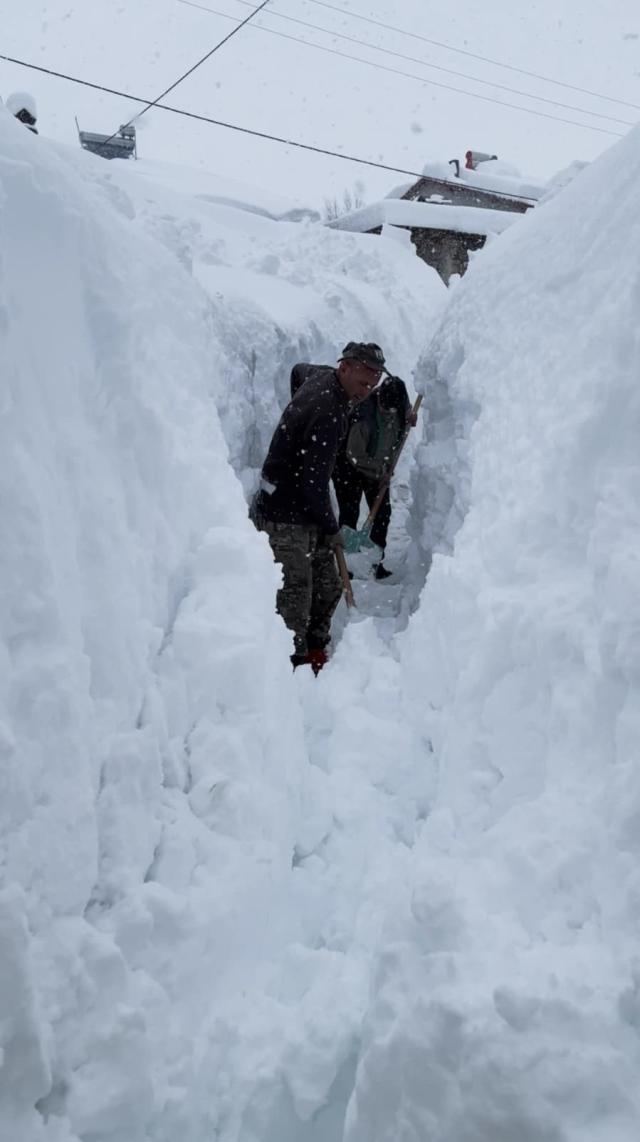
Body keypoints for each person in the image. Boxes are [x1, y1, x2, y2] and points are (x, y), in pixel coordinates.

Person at [253, 342, 386, 672]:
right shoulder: (328, 412)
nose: (365, 392)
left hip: (305, 505)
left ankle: (316, 652)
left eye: (372, 385)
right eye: (362, 383)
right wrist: (332, 529)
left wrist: (297, 423)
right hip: (283, 512)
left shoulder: (321, 377)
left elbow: (298, 370)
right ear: (344, 367)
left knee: (328, 583)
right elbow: (313, 485)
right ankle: (293, 669)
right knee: (295, 595)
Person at [333, 376, 415, 579]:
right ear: (379, 399)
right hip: (349, 468)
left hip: (378, 466)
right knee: (349, 515)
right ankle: (347, 567)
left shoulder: (398, 401)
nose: (388, 415)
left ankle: (374, 560)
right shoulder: (363, 417)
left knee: (382, 514)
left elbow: (406, 408)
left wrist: (409, 416)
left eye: (392, 412)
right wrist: (380, 473)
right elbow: (354, 455)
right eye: (385, 410)